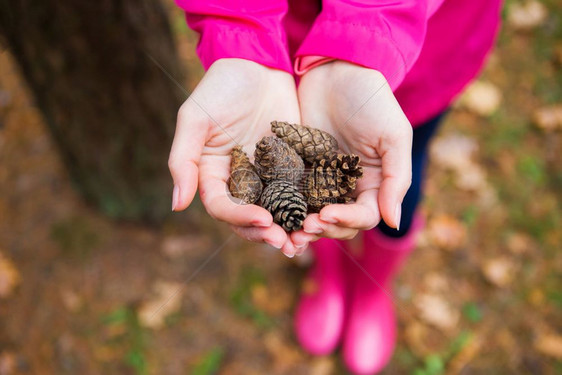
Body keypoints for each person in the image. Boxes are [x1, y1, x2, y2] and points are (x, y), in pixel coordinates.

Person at [168, 0, 501, 373]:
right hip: (286, 47)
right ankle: (328, 276)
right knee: (327, 215)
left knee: (399, 186)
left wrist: (364, 38)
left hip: (434, 48)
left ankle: (373, 289)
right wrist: (241, 34)